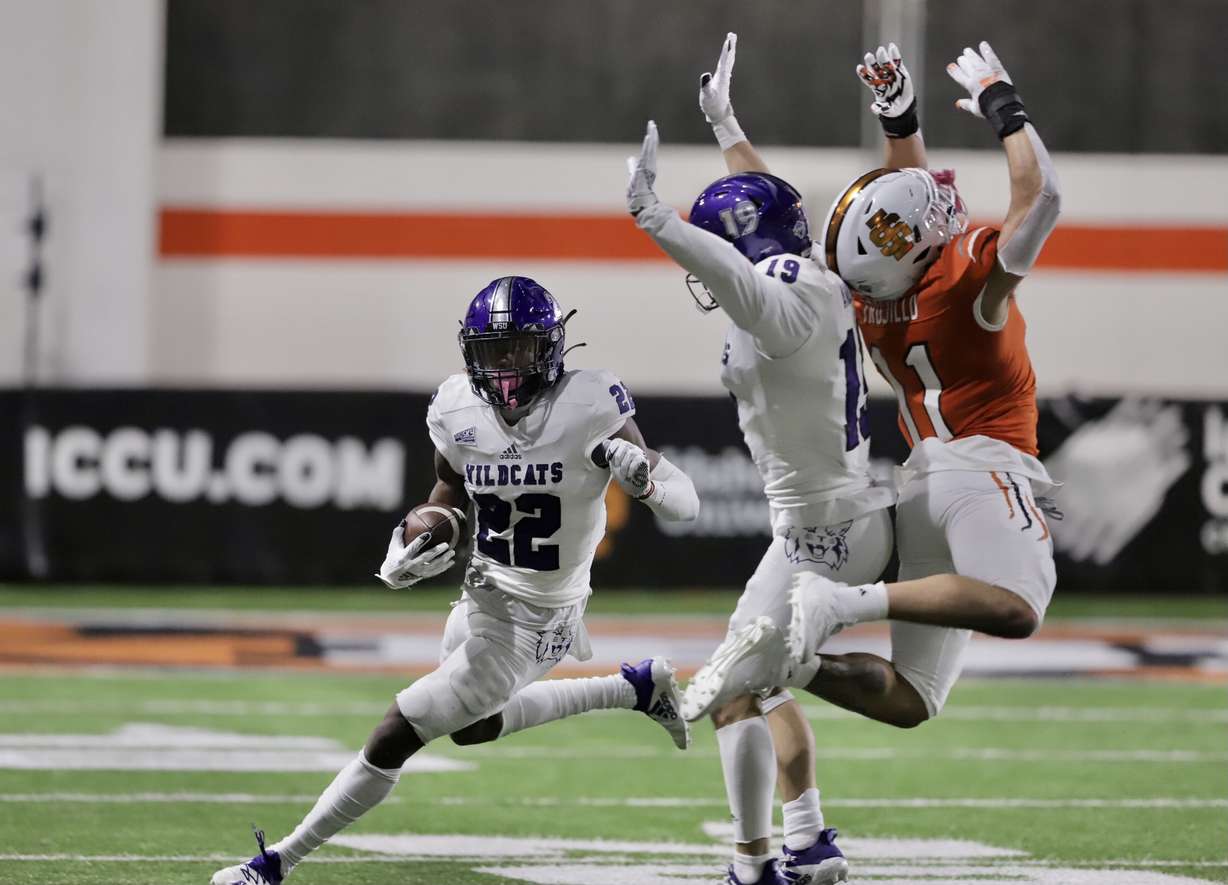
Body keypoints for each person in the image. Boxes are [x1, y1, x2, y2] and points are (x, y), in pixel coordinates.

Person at [210, 275, 699, 885]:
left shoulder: (591, 403)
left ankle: (276, 862)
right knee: (473, 728)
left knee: (398, 728)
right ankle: (634, 689)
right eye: (493, 351)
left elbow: (688, 503)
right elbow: (446, 497)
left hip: (541, 619)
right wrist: (409, 541)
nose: (505, 366)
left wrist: (646, 480)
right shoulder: (456, 408)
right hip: (480, 594)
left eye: (518, 348)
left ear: (548, 347)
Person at [688, 38, 1062, 763]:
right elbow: (1040, 196)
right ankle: (846, 603)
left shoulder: (851, 295)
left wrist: (731, 131)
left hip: (919, 480)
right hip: (986, 467)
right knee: (1017, 607)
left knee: (911, 699)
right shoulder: (965, 290)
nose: (943, 205)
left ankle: (792, 664)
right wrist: (1002, 102)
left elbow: (773, 220)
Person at [625, 33, 895, 885]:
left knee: (734, 686)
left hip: (829, 532)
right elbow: (767, 209)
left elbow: (740, 270)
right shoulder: (808, 272)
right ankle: (808, 840)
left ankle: (754, 864)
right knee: (753, 687)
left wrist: (659, 220)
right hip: (818, 523)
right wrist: (725, 125)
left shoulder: (778, 299)